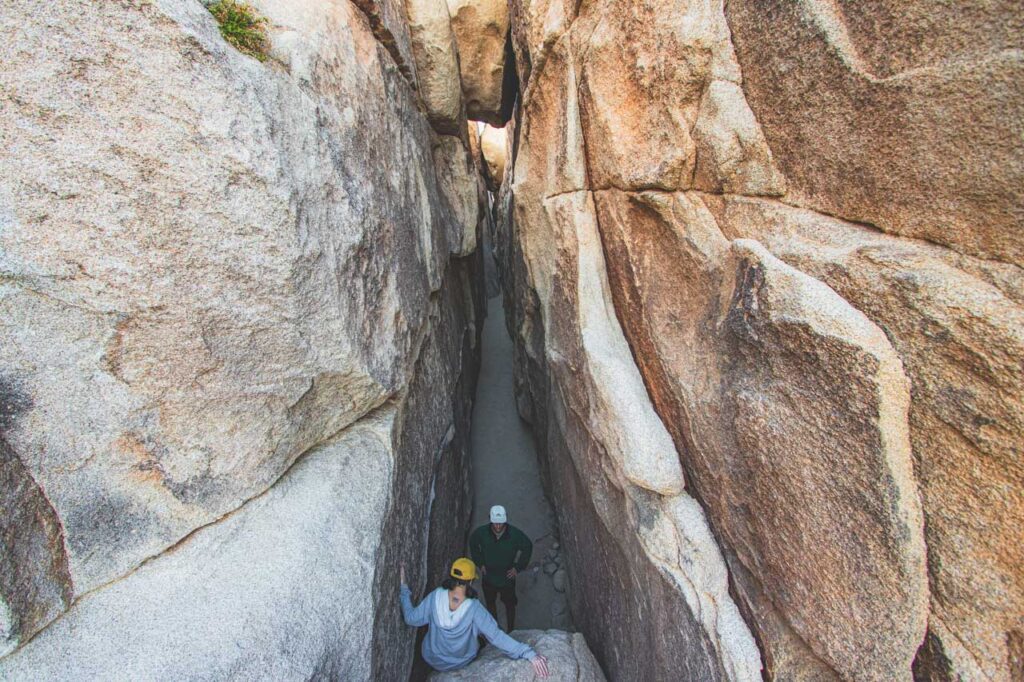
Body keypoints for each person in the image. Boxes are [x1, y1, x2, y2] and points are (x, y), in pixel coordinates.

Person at [400, 558, 550, 677]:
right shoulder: (474, 609)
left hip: (432, 657)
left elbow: (411, 618)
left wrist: (404, 589)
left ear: (452, 577)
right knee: (482, 633)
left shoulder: (435, 597)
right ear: (471, 581)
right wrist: (528, 653)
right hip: (459, 662)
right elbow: (496, 637)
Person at [469, 505, 533, 632]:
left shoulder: (514, 535)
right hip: (489, 577)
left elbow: (528, 546)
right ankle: (495, 629)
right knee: (490, 603)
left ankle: (511, 630)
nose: (498, 527)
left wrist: (517, 568)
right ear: (490, 521)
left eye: (501, 524)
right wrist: (480, 563)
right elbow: (473, 543)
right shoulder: (481, 533)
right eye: (495, 524)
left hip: (507, 578)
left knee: (510, 604)